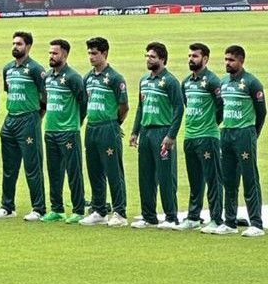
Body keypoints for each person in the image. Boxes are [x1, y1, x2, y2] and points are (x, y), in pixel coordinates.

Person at [0, 31, 47, 221]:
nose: (15, 47)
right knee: (9, 166)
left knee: (33, 166)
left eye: (19, 44)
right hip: (10, 119)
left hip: (28, 119)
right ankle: (7, 206)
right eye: (14, 43)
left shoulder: (35, 69)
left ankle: (39, 208)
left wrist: (36, 117)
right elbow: (9, 91)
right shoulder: (8, 68)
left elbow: (45, 96)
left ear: (29, 47)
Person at [130, 42, 184, 229]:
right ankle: (148, 216)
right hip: (146, 132)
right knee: (145, 176)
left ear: (162, 59)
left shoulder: (170, 81)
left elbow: (178, 109)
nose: (148, 59)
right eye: (147, 56)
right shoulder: (144, 80)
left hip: (162, 132)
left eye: (152, 57)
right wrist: (135, 131)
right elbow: (140, 107)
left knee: (166, 176)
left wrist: (171, 135)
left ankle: (171, 217)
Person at [217, 45, 265, 237]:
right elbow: (221, 109)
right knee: (228, 179)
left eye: (231, 60)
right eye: (226, 59)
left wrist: (253, 132)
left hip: (244, 134)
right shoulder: (223, 82)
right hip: (226, 134)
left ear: (241, 61)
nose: (227, 63)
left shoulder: (252, 82)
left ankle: (256, 223)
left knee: (250, 178)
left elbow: (262, 112)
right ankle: (229, 221)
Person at [80, 37, 129, 227]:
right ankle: (99, 210)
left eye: (95, 53)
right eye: (89, 53)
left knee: (113, 171)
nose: (91, 57)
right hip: (91, 127)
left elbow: (124, 106)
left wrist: (115, 123)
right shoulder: (88, 77)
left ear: (105, 53)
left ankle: (120, 212)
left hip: (108, 128)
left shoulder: (115, 78)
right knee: (94, 170)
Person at [179, 42, 224, 233]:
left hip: (208, 136)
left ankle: (216, 218)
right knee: (194, 179)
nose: (191, 59)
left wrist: (211, 123)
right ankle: (193, 217)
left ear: (205, 59)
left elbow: (221, 106)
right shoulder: (186, 82)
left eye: (195, 56)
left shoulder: (213, 81)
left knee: (213, 179)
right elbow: (187, 105)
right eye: (189, 56)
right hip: (190, 135)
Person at [42, 39, 87, 223]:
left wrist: (76, 122)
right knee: (54, 171)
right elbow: (44, 99)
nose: (51, 56)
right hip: (50, 130)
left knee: (73, 171)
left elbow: (83, 102)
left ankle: (78, 209)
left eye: (55, 53)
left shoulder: (72, 77)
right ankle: (57, 209)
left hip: (68, 131)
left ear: (65, 55)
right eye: (50, 53)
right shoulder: (47, 77)